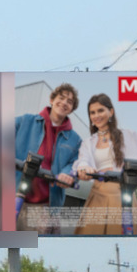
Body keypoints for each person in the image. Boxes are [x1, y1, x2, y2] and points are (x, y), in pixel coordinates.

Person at [73, 92, 137, 235]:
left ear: (111, 111)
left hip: (125, 192)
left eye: (100, 110)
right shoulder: (88, 143)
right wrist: (83, 168)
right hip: (97, 196)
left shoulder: (129, 135)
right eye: (92, 112)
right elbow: (82, 160)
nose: (96, 115)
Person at [13, 83, 82, 230]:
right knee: (5, 244)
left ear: (72, 108)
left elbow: (75, 163)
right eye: (61, 98)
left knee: (36, 248)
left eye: (69, 102)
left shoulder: (75, 140)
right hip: (13, 196)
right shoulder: (25, 121)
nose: (64, 103)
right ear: (52, 99)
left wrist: (67, 173)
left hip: (45, 207)